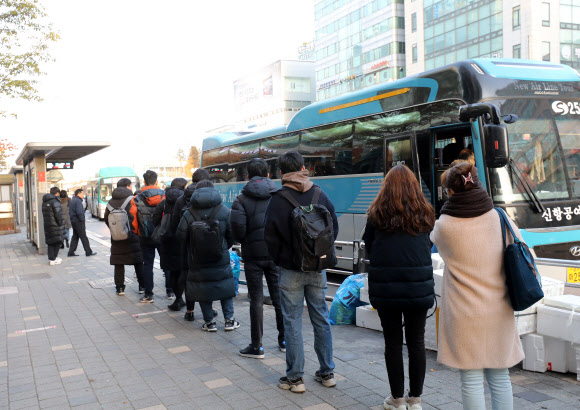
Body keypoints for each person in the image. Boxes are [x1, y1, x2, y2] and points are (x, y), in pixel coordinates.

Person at [430, 161, 524, 410]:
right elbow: (523, 248)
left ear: (450, 192)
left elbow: (436, 244)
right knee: (500, 376)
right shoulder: (499, 217)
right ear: (478, 184)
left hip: (464, 312)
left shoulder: (445, 226)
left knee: (470, 380)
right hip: (499, 308)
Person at [264, 151, 338, 394]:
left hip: (290, 270)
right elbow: (332, 229)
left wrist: (282, 260)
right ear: (304, 168)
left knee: (293, 321)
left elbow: (270, 237)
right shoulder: (320, 194)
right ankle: (327, 373)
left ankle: (295, 378)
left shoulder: (277, 199)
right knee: (321, 318)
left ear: (281, 173)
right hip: (318, 269)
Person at [362, 165, 435, 410]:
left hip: (387, 289)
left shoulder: (376, 214)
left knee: (392, 343)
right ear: (415, 187)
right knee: (416, 342)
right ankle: (416, 400)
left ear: (386, 187)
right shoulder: (425, 213)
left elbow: (369, 247)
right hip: (418, 289)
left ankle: (397, 399)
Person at [231, 158, 285, 359]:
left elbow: (238, 231)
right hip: (275, 253)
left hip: (253, 255)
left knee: (256, 299)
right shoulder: (279, 195)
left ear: (247, 175)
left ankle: (257, 346)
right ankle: (284, 340)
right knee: (279, 297)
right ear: (269, 174)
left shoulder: (241, 199)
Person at [176, 180, 240, 332]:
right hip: (220, 257)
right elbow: (232, 235)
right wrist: (224, 246)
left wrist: (192, 247)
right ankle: (229, 320)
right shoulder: (223, 210)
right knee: (224, 286)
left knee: (203, 288)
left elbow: (180, 236)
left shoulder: (189, 213)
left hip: (197, 259)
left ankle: (209, 322)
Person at [170, 169, 211, 318]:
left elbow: (175, 223)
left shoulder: (182, 198)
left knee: (188, 277)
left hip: (187, 246)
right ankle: (209, 310)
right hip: (207, 244)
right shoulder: (211, 197)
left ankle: (190, 311)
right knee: (207, 276)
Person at [130, 170, 165, 303]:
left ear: (144, 182)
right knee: (166, 263)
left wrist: (139, 233)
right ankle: (170, 291)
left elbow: (133, 221)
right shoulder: (165, 196)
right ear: (157, 181)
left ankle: (148, 294)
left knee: (148, 265)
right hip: (162, 235)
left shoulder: (137, 198)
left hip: (145, 236)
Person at [104, 178, 144, 296]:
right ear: (128, 186)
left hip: (117, 237)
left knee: (119, 262)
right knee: (138, 261)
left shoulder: (110, 202)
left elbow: (107, 220)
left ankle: (120, 288)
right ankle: (142, 286)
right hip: (133, 235)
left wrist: (116, 230)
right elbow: (140, 215)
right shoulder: (134, 200)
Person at [153, 178, 188, 301]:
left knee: (171, 271)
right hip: (182, 242)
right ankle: (185, 302)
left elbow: (155, 220)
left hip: (167, 242)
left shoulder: (163, 203)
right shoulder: (185, 202)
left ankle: (177, 298)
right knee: (184, 271)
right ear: (183, 188)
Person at [68, 189, 97, 257]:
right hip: (78, 221)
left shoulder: (73, 200)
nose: (83, 195)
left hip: (74, 221)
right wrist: (82, 220)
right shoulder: (78, 201)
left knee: (75, 236)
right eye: (82, 193)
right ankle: (88, 252)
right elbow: (79, 212)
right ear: (79, 194)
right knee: (83, 237)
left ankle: (71, 252)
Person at [42, 187, 65, 265]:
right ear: (57, 193)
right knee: (58, 241)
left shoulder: (44, 202)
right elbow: (58, 215)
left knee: (50, 242)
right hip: (56, 225)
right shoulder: (55, 202)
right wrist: (61, 223)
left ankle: (51, 259)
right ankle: (54, 258)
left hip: (48, 225)